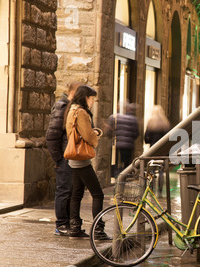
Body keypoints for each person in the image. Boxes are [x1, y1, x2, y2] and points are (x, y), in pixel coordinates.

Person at [64, 85, 109, 239]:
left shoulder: (71, 110)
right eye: (91, 99)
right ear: (85, 97)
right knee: (98, 194)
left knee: (76, 194)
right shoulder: (81, 112)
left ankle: (75, 228)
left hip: (74, 158)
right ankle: (98, 230)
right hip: (82, 160)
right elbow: (89, 136)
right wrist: (97, 133)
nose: (92, 102)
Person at [46, 82, 81, 236]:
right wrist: (59, 159)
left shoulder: (73, 107)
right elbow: (52, 135)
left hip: (71, 156)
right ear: (74, 93)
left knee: (72, 191)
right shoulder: (62, 106)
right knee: (64, 190)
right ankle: (61, 225)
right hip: (65, 156)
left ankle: (69, 223)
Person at [105, 103, 139, 178]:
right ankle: (124, 178)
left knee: (116, 162)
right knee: (126, 163)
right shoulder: (133, 119)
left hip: (116, 144)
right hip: (128, 145)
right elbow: (136, 133)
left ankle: (117, 177)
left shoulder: (113, 117)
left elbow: (108, 132)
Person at [144, 105, 170, 194]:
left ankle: (151, 187)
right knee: (161, 169)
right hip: (163, 149)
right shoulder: (165, 122)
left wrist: (150, 140)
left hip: (153, 149)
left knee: (152, 169)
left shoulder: (151, 122)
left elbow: (146, 138)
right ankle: (160, 188)